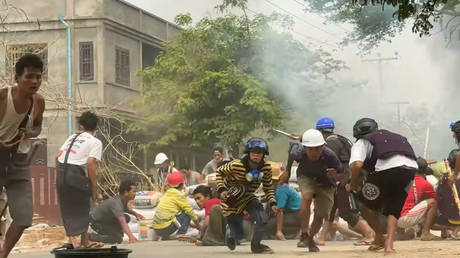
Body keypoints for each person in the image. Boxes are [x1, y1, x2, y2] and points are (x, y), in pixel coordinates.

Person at [346, 118, 417, 253]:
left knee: (365, 206)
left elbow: (357, 165)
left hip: (386, 169)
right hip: (410, 169)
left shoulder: (362, 142)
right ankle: (389, 246)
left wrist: (352, 185)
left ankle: (379, 236)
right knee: (394, 209)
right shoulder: (395, 137)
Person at [0, 53, 45, 258]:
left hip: (18, 162)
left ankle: (4, 253)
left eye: (38, 76)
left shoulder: (38, 102)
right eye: (29, 76)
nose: (34, 81)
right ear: (17, 78)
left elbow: (37, 127)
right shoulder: (3, 98)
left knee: (24, 217)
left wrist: (29, 133)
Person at [314, 117, 374, 246]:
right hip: (347, 178)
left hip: (342, 180)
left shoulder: (329, 144)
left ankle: (369, 234)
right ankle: (321, 237)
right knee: (331, 210)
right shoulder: (341, 140)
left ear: (319, 131)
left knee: (347, 212)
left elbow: (329, 165)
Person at [216, 138, 279, 254]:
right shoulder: (236, 165)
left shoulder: (266, 168)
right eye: (253, 152)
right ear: (248, 153)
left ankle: (256, 246)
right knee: (237, 235)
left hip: (248, 196)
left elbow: (268, 187)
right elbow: (219, 172)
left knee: (262, 218)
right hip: (231, 198)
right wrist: (222, 189)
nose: (256, 155)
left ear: (263, 154)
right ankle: (231, 232)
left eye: (259, 153)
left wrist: (273, 202)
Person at [285, 129, 343, 252]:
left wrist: (335, 176)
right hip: (306, 176)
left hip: (326, 183)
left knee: (320, 215)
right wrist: (287, 171)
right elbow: (291, 154)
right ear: (304, 148)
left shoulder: (330, 156)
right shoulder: (298, 152)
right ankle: (304, 233)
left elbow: (340, 174)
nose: (314, 152)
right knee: (307, 197)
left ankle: (310, 238)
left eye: (317, 149)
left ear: (322, 147)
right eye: (310, 149)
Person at [56, 111, 102, 248]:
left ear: (81, 125)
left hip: (61, 172)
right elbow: (91, 163)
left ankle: (73, 241)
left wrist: (59, 176)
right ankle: (84, 242)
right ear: (96, 126)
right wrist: (94, 188)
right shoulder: (95, 141)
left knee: (67, 207)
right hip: (75, 172)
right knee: (85, 205)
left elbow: (58, 155)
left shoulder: (72, 137)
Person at [397, 157, 439, 241]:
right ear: (424, 172)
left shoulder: (402, 180)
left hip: (393, 219)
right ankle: (426, 233)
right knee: (433, 203)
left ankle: (401, 234)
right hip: (404, 219)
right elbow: (436, 201)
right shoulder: (425, 183)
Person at [152, 171, 199, 240]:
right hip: (166, 228)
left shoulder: (167, 193)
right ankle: (181, 234)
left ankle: (165, 237)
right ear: (182, 184)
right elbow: (189, 211)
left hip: (156, 229)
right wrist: (198, 224)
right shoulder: (178, 195)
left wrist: (191, 225)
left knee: (175, 215)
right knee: (187, 214)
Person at [274, 172, 301, 241]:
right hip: (295, 213)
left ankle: (279, 232)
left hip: (295, 215)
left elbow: (280, 210)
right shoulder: (284, 186)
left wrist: (279, 231)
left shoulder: (281, 189)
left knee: (266, 223)